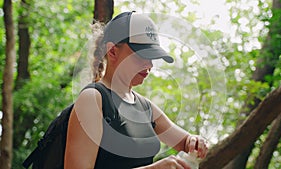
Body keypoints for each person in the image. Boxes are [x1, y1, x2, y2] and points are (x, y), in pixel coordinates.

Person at [64, 11, 208, 169]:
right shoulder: (93, 99)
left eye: (152, 57)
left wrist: (194, 142)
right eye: (142, 55)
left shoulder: (146, 108)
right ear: (112, 51)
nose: (150, 65)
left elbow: (186, 142)